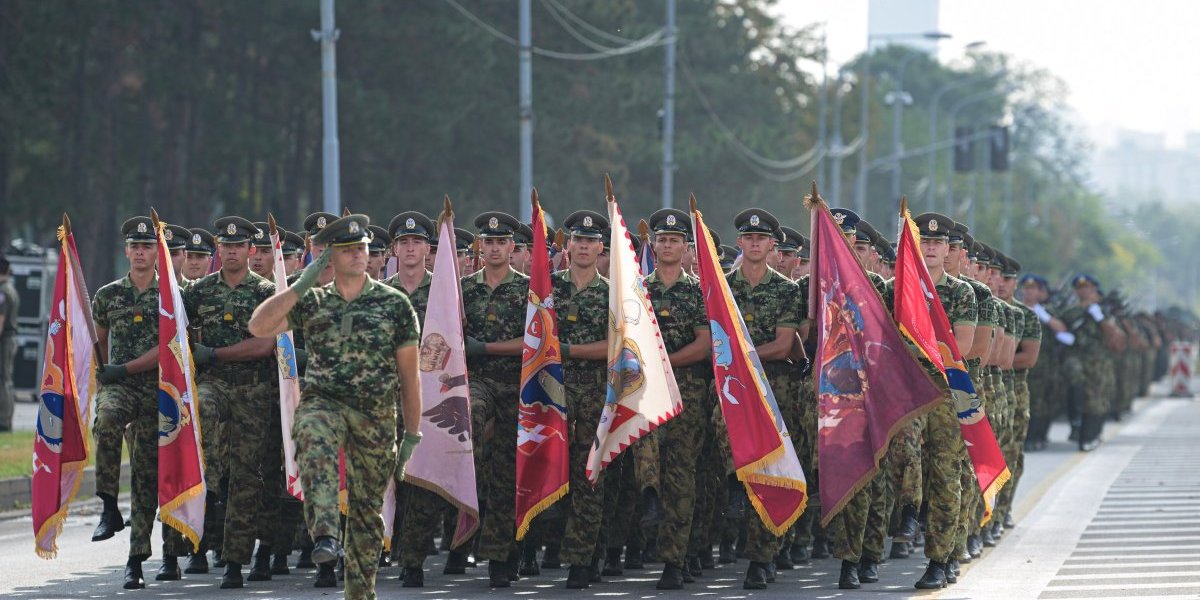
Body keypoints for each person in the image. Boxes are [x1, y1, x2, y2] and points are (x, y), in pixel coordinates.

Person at [249, 213, 423, 600]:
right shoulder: (313, 302)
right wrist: (300, 286)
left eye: (362, 248)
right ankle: (325, 533)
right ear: (330, 256)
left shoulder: (394, 304)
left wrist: (411, 435)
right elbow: (259, 326)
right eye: (347, 249)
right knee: (312, 435)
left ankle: (359, 591)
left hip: (375, 416)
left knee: (366, 514)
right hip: (323, 404)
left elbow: (410, 377)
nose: (359, 255)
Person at [182, 216, 278, 588]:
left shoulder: (266, 292)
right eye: (226, 246)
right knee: (205, 413)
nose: (232, 252)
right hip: (213, 386)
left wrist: (216, 353)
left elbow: (265, 345)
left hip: (253, 394)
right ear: (218, 250)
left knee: (246, 477)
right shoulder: (198, 292)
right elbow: (177, 333)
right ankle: (207, 493)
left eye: (239, 246)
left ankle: (236, 560)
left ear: (250, 250)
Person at [723, 208, 801, 590]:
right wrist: (740, 360)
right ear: (740, 242)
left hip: (774, 389)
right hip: (734, 387)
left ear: (772, 246)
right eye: (749, 238)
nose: (754, 243)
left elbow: (784, 345)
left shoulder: (786, 290)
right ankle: (733, 480)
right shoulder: (722, 287)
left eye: (761, 239)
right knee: (726, 435)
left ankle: (762, 557)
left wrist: (745, 354)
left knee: (771, 471)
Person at [88, 217, 167, 588]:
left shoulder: (170, 295)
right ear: (126, 251)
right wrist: (107, 372)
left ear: (156, 253)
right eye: (134, 246)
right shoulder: (108, 295)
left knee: (146, 474)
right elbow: (99, 340)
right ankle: (108, 506)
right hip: (119, 386)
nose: (139, 253)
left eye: (146, 247)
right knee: (106, 421)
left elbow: (168, 346)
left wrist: (124, 368)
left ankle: (136, 559)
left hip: (156, 388)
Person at [641, 208, 713, 590]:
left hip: (688, 392)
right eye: (662, 239)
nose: (667, 245)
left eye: (675, 240)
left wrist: (663, 360)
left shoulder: (699, 291)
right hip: (647, 390)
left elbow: (703, 346)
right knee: (648, 456)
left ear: (686, 247)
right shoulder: (638, 289)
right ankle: (649, 498)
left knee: (682, 476)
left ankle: (674, 560)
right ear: (654, 245)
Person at [460, 211, 530, 587]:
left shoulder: (528, 290)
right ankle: (465, 488)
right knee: (470, 415)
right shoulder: (464, 289)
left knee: (507, 476)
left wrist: (485, 347)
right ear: (480, 247)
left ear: (512, 246)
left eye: (501, 242)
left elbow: (534, 342)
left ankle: (502, 556)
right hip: (478, 383)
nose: (495, 248)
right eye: (488, 242)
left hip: (516, 388)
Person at [553, 209, 612, 589]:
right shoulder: (547, 289)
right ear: (568, 246)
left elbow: (616, 345)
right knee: (547, 464)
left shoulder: (611, 293)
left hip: (594, 390)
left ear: (600, 247)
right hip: (551, 390)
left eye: (591, 241)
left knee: (589, 474)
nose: (584, 246)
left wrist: (569, 350)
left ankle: (582, 557)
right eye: (578, 240)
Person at [1061, 274, 1125, 451]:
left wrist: (1100, 317)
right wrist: (1063, 336)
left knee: (1097, 399)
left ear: (1094, 289)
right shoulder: (1070, 312)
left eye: (1087, 287)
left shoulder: (1104, 312)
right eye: (1080, 288)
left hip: (1099, 362)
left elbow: (1116, 336)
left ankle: (1091, 435)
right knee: (1079, 394)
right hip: (1076, 358)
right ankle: (1079, 431)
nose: (1083, 291)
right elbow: (1060, 327)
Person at [0, 254, 17, 432]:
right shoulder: (10, 288)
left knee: (3, 380)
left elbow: (1, 319)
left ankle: (4, 421)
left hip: (4, 340)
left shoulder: (2, 292)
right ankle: (7, 419)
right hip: (10, 338)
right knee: (7, 379)